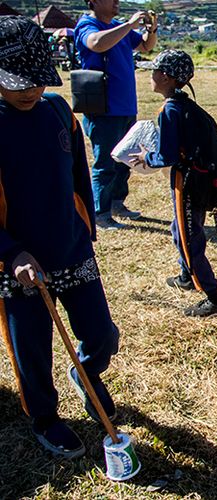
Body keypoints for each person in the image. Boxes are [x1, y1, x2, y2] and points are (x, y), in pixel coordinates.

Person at [0, 16, 119, 459]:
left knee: (101, 334)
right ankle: (45, 418)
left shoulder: (56, 111)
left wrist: (85, 226)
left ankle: (86, 374)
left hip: (71, 248)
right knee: (32, 348)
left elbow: (76, 176)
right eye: (17, 83)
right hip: (20, 264)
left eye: (36, 80)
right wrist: (10, 253)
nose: (29, 91)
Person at [128, 50, 217, 319]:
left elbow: (167, 155)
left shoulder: (170, 110)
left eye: (153, 71)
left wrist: (145, 157)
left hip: (188, 184)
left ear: (165, 77)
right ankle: (187, 275)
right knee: (181, 228)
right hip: (201, 181)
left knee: (189, 239)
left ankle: (216, 298)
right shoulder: (187, 105)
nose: (150, 76)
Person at [74, 0, 157, 230]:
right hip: (103, 109)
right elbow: (96, 44)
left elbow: (145, 46)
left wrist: (151, 29)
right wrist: (130, 25)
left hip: (125, 107)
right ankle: (100, 213)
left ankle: (117, 204)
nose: (116, 2)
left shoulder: (120, 27)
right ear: (94, 2)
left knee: (124, 160)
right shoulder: (87, 25)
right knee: (105, 163)